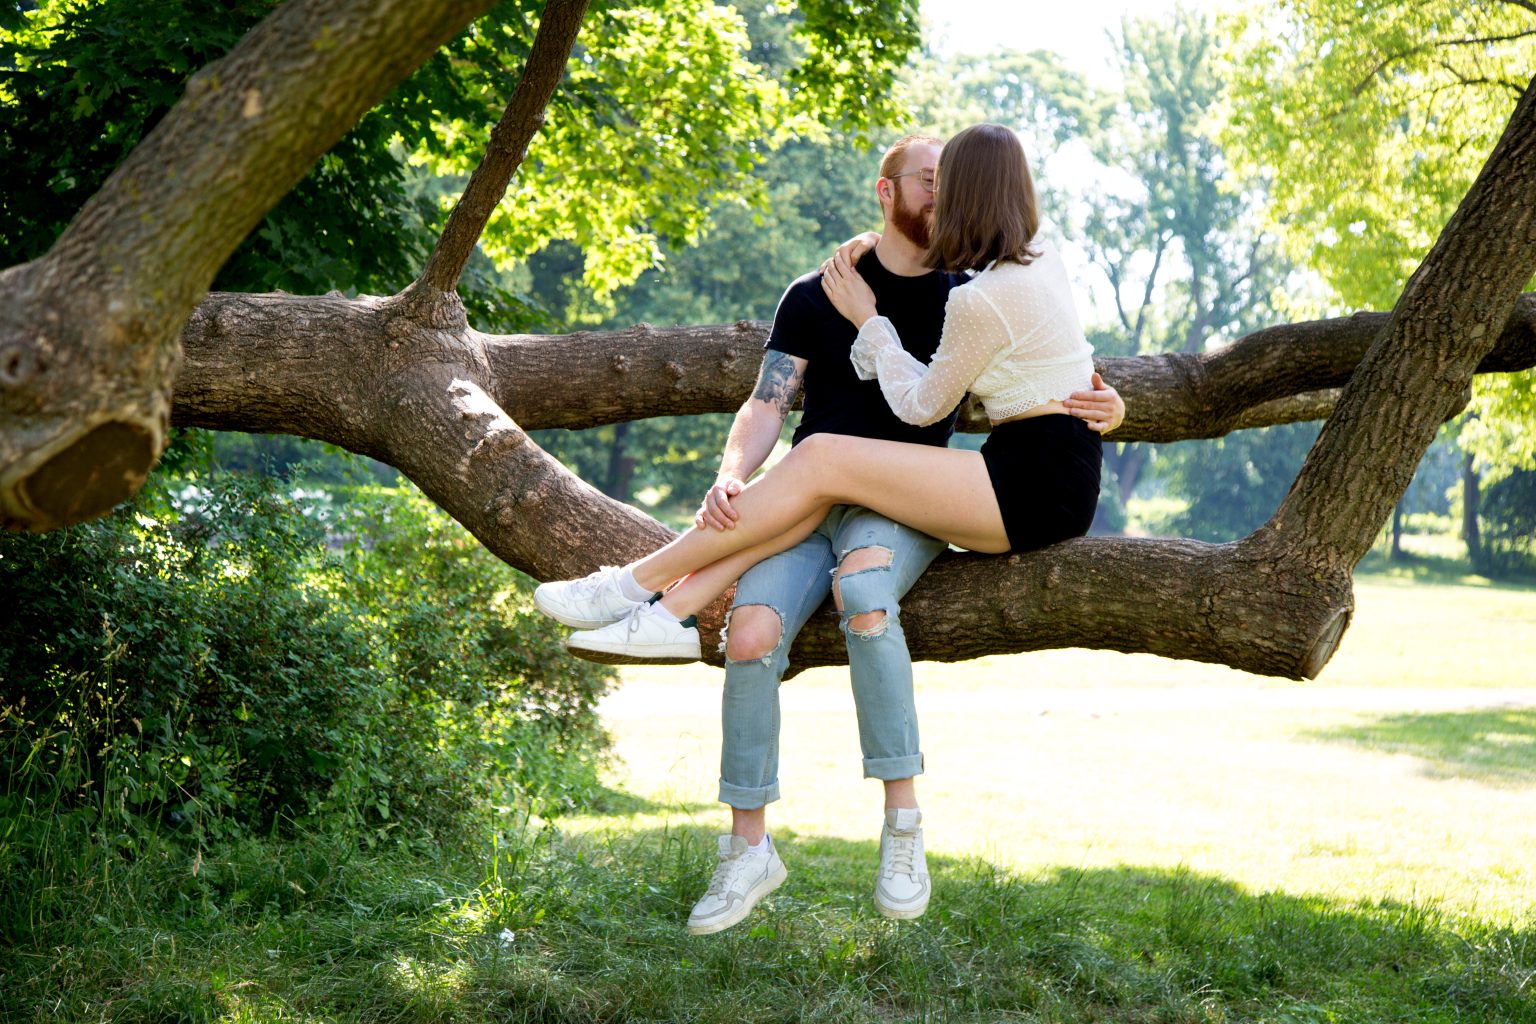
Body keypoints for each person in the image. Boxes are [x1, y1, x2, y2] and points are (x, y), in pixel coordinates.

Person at [536, 125, 1122, 935]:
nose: (939, 193)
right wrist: (732, 473)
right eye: (926, 179)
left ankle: (901, 827)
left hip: (906, 502)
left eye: (949, 180)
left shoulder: (969, 288)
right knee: (749, 633)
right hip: (800, 503)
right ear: (887, 192)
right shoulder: (817, 291)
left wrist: (1110, 402)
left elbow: (1031, 363)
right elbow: (767, 403)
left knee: (865, 591)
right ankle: (746, 849)